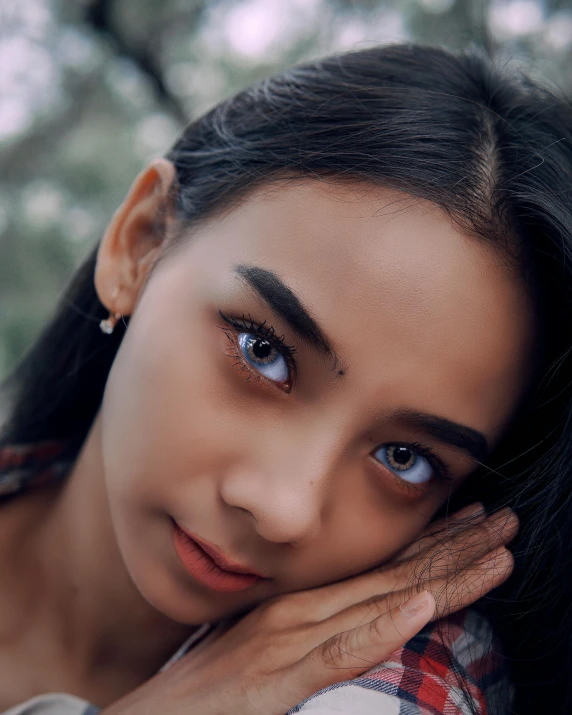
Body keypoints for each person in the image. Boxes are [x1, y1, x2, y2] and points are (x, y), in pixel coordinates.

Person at [0, 41, 570, 715]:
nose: (282, 508)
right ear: (141, 243)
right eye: (264, 351)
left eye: (405, 458)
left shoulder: (387, 686)